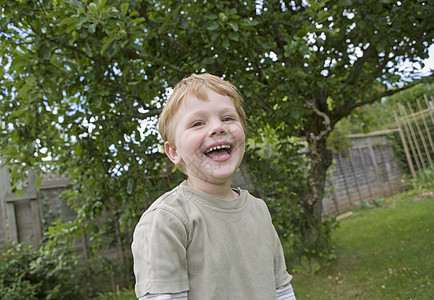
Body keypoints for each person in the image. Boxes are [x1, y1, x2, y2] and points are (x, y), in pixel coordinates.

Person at [131, 73, 296, 300]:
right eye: (198, 123)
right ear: (174, 152)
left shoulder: (258, 210)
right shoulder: (167, 219)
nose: (218, 128)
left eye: (228, 118)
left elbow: (282, 291)